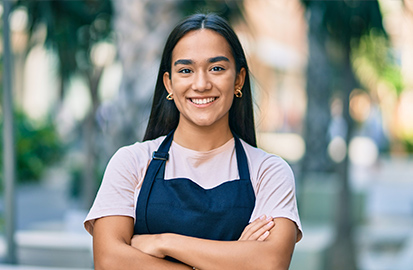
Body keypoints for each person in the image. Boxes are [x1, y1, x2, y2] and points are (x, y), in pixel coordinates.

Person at [84, 13, 302, 270]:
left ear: (239, 79)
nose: (201, 84)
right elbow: (109, 261)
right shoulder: (131, 162)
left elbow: (270, 262)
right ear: (169, 83)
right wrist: (234, 259)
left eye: (217, 68)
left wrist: (164, 243)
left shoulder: (269, 172)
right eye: (186, 70)